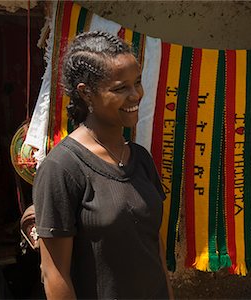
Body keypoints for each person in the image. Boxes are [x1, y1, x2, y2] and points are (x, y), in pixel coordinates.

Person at [33, 31, 174, 299]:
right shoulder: (62, 168)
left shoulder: (140, 158)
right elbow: (54, 274)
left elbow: (155, 248)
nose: (135, 96)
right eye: (121, 88)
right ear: (86, 94)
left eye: (138, 83)